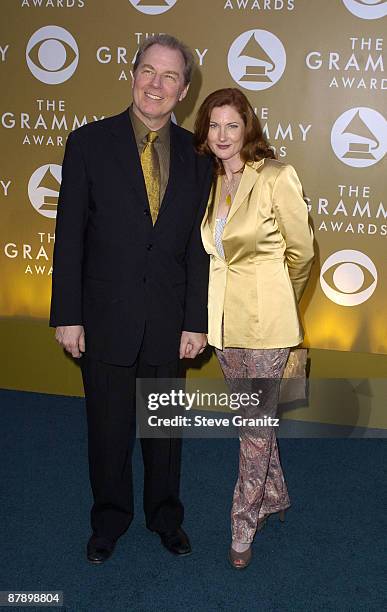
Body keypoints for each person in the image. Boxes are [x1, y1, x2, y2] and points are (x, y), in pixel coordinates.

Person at [50, 34, 212, 564]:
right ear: (132, 73)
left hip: (169, 320)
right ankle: (108, 521)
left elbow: (198, 250)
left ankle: (166, 517)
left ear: (184, 90)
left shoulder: (198, 157)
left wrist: (196, 322)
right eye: (148, 71)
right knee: (109, 429)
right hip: (103, 319)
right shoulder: (88, 143)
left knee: (163, 431)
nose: (156, 85)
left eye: (170, 77)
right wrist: (67, 315)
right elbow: (69, 236)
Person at [194, 88, 314, 569]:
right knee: (255, 423)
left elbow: (301, 255)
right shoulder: (209, 180)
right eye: (214, 125)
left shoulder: (276, 177)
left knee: (253, 430)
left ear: (249, 130)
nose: (222, 136)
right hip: (224, 323)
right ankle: (275, 495)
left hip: (268, 326)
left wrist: (282, 302)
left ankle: (242, 523)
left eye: (232, 126)